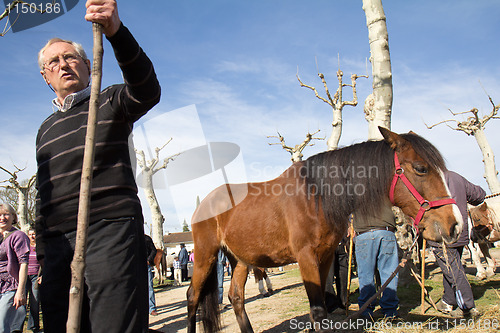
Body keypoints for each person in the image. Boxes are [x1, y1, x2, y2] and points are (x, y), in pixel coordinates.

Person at [34, 0, 161, 331]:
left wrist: (116, 32)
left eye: (70, 57)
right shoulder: (44, 130)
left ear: (88, 66)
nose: (63, 65)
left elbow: (147, 90)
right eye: (53, 62)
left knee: (114, 325)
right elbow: (42, 195)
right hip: (60, 243)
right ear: (46, 77)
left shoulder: (108, 102)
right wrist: (44, 250)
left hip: (111, 229)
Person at [429, 170, 485, 318]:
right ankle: (448, 301)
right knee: (452, 267)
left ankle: (467, 307)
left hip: (441, 233)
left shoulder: (428, 179)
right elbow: (479, 195)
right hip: (459, 231)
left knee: (453, 270)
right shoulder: (456, 177)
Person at [353, 202, 399, 319]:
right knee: (389, 273)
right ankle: (390, 311)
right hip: (385, 230)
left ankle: (366, 311)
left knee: (365, 275)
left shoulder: (355, 187)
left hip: (364, 233)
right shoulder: (383, 184)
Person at [0, 203, 30, 333]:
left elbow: (24, 264)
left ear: (14, 217)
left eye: (6, 214)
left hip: (10, 285)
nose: (2, 218)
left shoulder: (18, 236)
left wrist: (20, 291)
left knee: (2, 325)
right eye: (0, 215)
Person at [13, 228, 41, 333]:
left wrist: (42, 275)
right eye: (30, 234)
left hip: (36, 277)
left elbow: (45, 262)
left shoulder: (41, 247)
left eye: (34, 234)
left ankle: (34, 326)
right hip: (24, 277)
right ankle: (17, 327)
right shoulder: (24, 246)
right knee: (21, 301)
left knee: (35, 301)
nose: (32, 236)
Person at [145, 235, 158, 317]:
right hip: (134, 266)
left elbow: (154, 250)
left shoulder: (146, 238)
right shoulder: (132, 238)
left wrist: (149, 260)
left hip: (146, 265)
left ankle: (152, 308)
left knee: (149, 286)